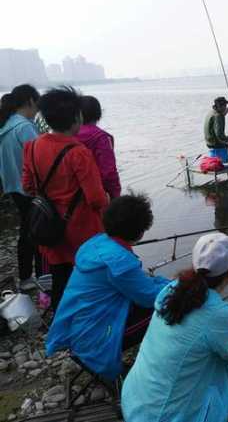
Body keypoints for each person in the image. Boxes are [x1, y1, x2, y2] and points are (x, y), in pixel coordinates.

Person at [122, 233, 228, 422]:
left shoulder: (171, 290)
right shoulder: (218, 314)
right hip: (166, 417)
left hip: (134, 404)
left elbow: (198, 334)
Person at [46, 193, 170, 380]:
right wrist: (179, 283)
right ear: (141, 231)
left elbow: (139, 284)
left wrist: (160, 282)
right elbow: (151, 297)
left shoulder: (95, 243)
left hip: (73, 330)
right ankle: (162, 362)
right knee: (168, 305)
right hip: (93, 340)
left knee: (159, 293)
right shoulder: (119, 262)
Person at [22, 86, 108, 310]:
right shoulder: (78, 152)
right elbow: (97, 199)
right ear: (76, 117)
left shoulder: (32, 147)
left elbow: (28, 186)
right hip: (81, 230)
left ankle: (62, 319)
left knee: (59, 277)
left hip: (49, 226)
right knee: (87, 278)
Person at [0, 84, 41, 291]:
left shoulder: (7, 125)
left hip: (14, 187)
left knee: (27, 232)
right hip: (29, 189)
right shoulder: (24, 127)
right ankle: (37, 278)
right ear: (30, 102)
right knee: (38, 233)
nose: (37, 111)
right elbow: (41, 157)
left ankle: (26, 277)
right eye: (37, 104)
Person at [75, 96, 121, 200]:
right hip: (95, 195)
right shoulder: (101, 138)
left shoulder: (67, 135)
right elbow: (109, 172)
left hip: (70, 195)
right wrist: (115, 196)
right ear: (99, 114)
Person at [204, 97, 228, 164]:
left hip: (210, 142)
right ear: (220, 106)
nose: (225, 107)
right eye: (225, 106)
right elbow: (219, 134)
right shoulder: (217, 116)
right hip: (215, 143)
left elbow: (223, 114)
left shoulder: (213, 112)